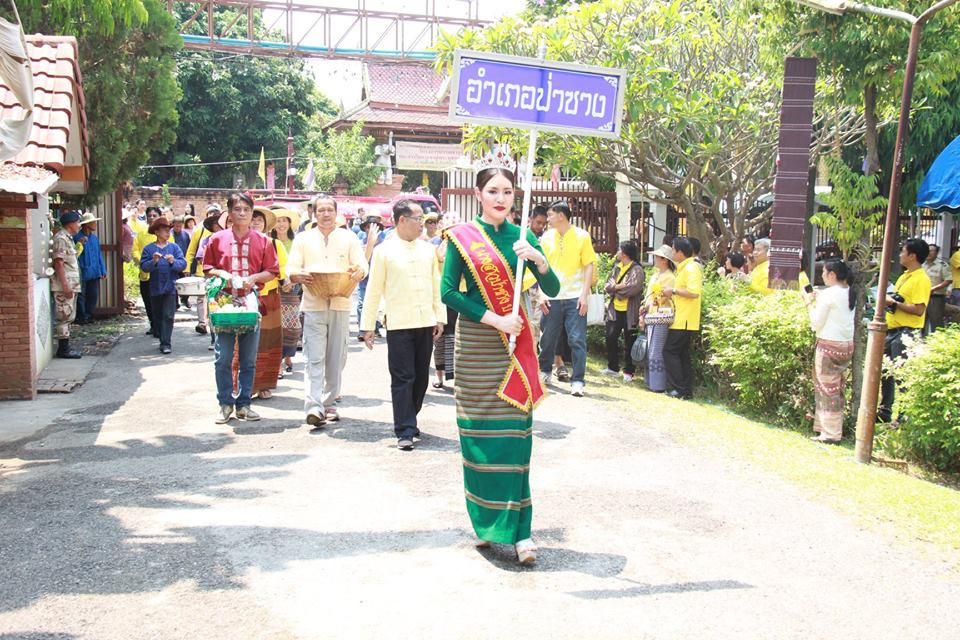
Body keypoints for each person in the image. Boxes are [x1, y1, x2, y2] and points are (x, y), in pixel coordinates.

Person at [440, 161, 559, 565]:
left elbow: (554, 287)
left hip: (514, 346)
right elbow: (449, 294)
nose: (501, 198)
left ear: (515, 197)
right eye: (493, 191)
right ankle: (487, 527)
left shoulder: (523, 236)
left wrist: (539, 262)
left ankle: (522, 533)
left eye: (507, 192)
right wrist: (494, 318)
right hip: (477, 346)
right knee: (478, 438)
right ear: (479, 195)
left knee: (516, 436)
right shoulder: (461, 238)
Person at [361, 200, 445, 450]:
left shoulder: (427, 250)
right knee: (403, 377)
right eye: (418, 219)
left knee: (420, 378)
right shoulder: (384, 251)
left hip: (425, 322)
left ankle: (411, 416)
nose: (422, 224)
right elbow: (373, 290)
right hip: (398, 323)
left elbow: (435, 285)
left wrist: (440, 316)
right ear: (401, 220)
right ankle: (405, 429)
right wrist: (367, 326)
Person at [287, 195, 367, 427]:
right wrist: (295, 275)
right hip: (313, 304)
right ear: (313, 213)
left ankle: (329, 402)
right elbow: (291, 266)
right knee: (314, 356)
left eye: (329, 210)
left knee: (337, 357)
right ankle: (313, 406)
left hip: (341, 304)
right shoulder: (303, 239)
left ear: (336, 212)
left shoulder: (348, 237)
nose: (325, 214)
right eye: (320, 210)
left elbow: (362, 265)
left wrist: (357, 271)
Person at [202, 193, 281, 425]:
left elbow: (272, 271)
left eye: (246, 209)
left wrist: (254, 277)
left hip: (250, 301)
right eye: (237, 209)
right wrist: (221, 274)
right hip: (224, 303)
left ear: (252, 212)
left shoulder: (264, 241)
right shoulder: (216, 240)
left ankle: (244, 404)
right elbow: (207, 268)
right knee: (222, 357)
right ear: (230, 213)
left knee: (248, 359)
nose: (243, 213)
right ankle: (225, 403)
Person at [537, 200, 597, 397]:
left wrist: (584, 295)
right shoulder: (546, 237)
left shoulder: (582, 236)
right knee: (547, 338)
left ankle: (578, 380)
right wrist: (541, 293)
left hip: (575, 296)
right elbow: (540, 266)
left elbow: (589, 265)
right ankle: (545, 370)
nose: (548, 219)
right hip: (551, 296)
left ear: (561, 216)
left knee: (577, 339)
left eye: (551, 215)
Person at [231, 207, 286, 400]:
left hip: (269, 298)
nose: (255, 223)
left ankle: (264, 384)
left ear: (265, 224)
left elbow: (283, 270)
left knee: (268, 341)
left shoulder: (274, 243)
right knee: (241, 341)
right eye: (252, 219)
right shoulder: (236, 243)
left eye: (259, 220)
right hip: (242, 298)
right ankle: (239, 384)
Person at [878, 238, 932, 423]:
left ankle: (903, 417)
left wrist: (894, 303)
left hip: (907, 332)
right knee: (886, 373)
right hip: (892, 329)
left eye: (903, 251)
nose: (900, 254)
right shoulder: (904, 276)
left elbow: (919, 310)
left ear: (912, 255)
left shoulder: (922, 279)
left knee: (902, 376)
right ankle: (885, 410)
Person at [804, 259, 856, 443]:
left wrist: (808, 303)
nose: (822, 276)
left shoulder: (829, 294)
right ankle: (825, 427)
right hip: (845, 345)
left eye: (824, 273)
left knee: (826, 388)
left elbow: (816, 323)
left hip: (829, 346)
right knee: (836, 388)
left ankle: (830, 433)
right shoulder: (848, 290)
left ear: (832, 275)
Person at [661, 237, 702, 400]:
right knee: (681, 354)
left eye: (673, 250)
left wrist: (674, 291)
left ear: (679, 252)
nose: (671, 253)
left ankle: (679, 388)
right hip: (682, 317)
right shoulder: (684, 268)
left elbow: (694, 292)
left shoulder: (691, 268)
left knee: (669, 351)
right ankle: (685, 390)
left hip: (685, 319)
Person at [140, 217, 186, 354]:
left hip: (170, 287)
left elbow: (182, 264)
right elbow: (144, 267)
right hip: (155, 287)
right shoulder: (149, 249)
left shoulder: (174, 247)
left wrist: (173, 262)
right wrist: (153, 261)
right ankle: (161, 335)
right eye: (165, 231)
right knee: (158, 315)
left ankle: (166, 343)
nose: (168, 233)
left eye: (168, 231)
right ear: (157, 232)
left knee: (168, 315)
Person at [600, 241, 645, 381]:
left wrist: (616, 290)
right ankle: (612, 367)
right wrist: (618, 287)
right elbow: (607, 285)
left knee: (629, 340)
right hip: (615, 309)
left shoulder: (637, 270)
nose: (617, 253)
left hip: (629, 311)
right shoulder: (617, 268)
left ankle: (629, 371)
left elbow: (633, 288)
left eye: (619, 250)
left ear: (624, 253)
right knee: (610, 337)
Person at [271, 208, 302, 375]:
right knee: (276, 326)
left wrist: (291, 280)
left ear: (289, 223)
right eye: (278, 220)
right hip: (274, 287)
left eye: (284, 220)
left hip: (293, 288)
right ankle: (279, 361)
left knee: (292, 326)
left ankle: (287, 355)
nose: (281, 224)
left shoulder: (297, 242)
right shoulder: (269, 242)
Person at [642, 245, 676, 392]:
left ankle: (658, 384)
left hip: (661, 315)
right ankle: (650, 381)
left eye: (657, 257)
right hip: (652, 313)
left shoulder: (669, 277)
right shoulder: (656, 275)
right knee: (650, 348)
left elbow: (665, 297)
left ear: (665, 260)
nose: (655, 259)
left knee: (656, 350)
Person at [185, 204, 224, 335]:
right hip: (204, 273)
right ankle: (202, 322)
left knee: (218, 301)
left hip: (223, 277)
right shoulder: (203, 236)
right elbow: (194, 252)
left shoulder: (228, 238)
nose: (217, 226)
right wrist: (187, 267)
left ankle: (215, 329)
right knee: (203, 298)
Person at [50, 211, 84, 359]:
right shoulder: (61, 239)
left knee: (69, 315)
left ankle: (66, 346)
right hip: (65, 286)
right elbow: (59, 263)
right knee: (63, 315)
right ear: (70, 223)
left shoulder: (68, 238)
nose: (79, 225)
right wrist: (65, 285)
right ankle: (63, 349)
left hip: (71, 284)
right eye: (77, 222)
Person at [132, 206, 163, 337]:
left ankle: (161, 325)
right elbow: (135, 251)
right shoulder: (141, 233)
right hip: (146, 274)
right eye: (149, 215)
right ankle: (153, 323)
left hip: (161, 274)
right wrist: (144, 261)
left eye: (154, 215)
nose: (151, 218)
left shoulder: (165, 233)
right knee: (148, 300)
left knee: (160, 301)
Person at [356, 213, 386, 340]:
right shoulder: (359, 243)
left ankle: (376, 328)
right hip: (364, 280)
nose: (372, 230)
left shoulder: (385, 244)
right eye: (369, 227)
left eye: (375, 227)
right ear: (365, 228)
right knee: (362, 304)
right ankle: (362, 330)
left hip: (380, 280)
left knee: (379, 305)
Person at [73, 212, 107, 324]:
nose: (95, 224)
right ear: (87, 224)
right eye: (93, 222)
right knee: (81, 295)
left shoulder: (94, 238)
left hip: (94, 271)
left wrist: (103, 270)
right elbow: (74, 254)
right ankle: (82, 317)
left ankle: (89, 315)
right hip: (82, 271)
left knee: (93, 295)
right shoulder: (77, 237)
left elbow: (98, 255)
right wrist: (79, 244)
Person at [922, 243, 951, 333]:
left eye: (932, 251)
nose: (929, 253)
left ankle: (937, 344)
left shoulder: (942, 265)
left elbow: (948, 280)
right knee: (920, 322)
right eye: (928, 251)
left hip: (936, 298)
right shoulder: (922, 264)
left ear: (937, 252)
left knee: (936, 323)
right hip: (922, 297)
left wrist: (933, 289)